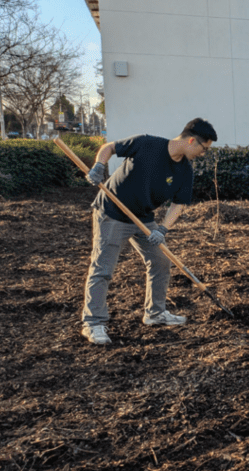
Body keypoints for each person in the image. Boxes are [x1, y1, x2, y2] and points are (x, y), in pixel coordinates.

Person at [80, 118, 217, 345]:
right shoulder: (147, 144)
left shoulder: (185, 170)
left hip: (143, 218)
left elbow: (178, 205)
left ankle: (155, 313)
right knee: (103, 268)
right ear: (191, 140)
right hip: (113, 212)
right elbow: (109, 148)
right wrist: (99, 165)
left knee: (161, 262)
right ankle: (93, 323)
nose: (202, 154)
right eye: (203, 149)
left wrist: (162, 229)